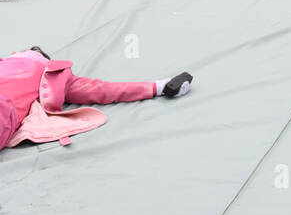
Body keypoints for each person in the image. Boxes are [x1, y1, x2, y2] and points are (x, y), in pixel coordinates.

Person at [0, 47, 192, 150]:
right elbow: (104, 90)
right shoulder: (9, 62)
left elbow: (104, 90)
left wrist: (157, 87)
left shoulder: (56, 73)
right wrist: (157, 87)